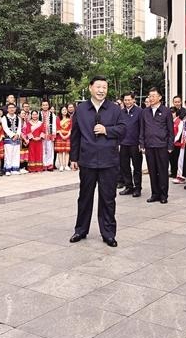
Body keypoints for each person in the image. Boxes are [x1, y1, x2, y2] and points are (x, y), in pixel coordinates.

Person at [69, 76, 127, 247]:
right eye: (98, 87)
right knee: (84, 197)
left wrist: (106, 130)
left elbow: (123, 129)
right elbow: (75, 135)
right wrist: (74, 157)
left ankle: (108, 233)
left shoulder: (115, 109)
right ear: (90, 88)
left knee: (108, 198)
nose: (102, 90)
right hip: (87, 160)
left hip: (109, 161)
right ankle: (80, 230)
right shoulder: (81, 109)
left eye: (105, 87)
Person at [140, 88, 174, 203]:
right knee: (152, 171)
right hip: (149, 146)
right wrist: (142, 144)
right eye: (150, 96)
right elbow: (142, 129)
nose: (151, 98)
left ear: (160, 97)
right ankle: (155, 193)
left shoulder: (166, 111)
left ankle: (164, 195)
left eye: (154, 96)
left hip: (162, 146)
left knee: (163, 171)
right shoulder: (145, 111)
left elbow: (170, 130)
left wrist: (170, 146)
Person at [119, 93, 143, 197]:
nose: (127, 102)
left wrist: (141, 143)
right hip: (123, 144)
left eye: (129, 100)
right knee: (125, 166)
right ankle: (129, 186)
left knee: (137, 167)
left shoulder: (140, 112)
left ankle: (137, 188)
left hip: (135, 144)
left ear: (133, 100)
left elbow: (143, 128)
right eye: (125, 100)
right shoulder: (120, 112)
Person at [1, 103, 23, 175]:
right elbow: (5, 128)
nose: (11, 109)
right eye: (10, 108)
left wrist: (17, 135)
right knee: (8, 154)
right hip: (8, 138)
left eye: (13, 107)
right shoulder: (4, 118)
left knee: (16, 154)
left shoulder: (18, 118)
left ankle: (15, 169)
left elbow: (19, 128)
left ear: (15, 109)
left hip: (17, 138)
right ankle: (8, 169)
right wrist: (12, 135)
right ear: (7, 109)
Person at [41, 100, 58, 171]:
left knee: (50, 150)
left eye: (46, 105)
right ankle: (43, 164)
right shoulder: (39, 114)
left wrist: (53, 134)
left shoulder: (52, 114)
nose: (45, 106)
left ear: (48, 106)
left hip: (49, 134)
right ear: (41, 106)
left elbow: (54, 125)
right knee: (42, 150)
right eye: (43, 105)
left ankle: (50, 164)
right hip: (41, 135)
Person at [55, 106, 72, 172]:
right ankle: (61, 165)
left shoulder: (69, 118)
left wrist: (67, 135)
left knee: (67, 151)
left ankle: (66, 165)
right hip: (60, 136)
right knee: (60, 152)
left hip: (68, 136)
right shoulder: (58, 118)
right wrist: (62, 136)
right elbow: (58, 128)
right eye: (63, 110)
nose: (64, 111)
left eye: (65, 110)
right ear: (61, 111)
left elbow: (70, 128)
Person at [171, 108, 185, 183]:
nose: (171, 114)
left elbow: (179, 133)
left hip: (178, 144)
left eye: (173, 112)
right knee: (172, 160)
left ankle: (179, 175)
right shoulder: (171, 121)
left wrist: (173, 141)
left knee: (178, 160)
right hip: (171, 144)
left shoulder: (180, 121)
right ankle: (174, 173)